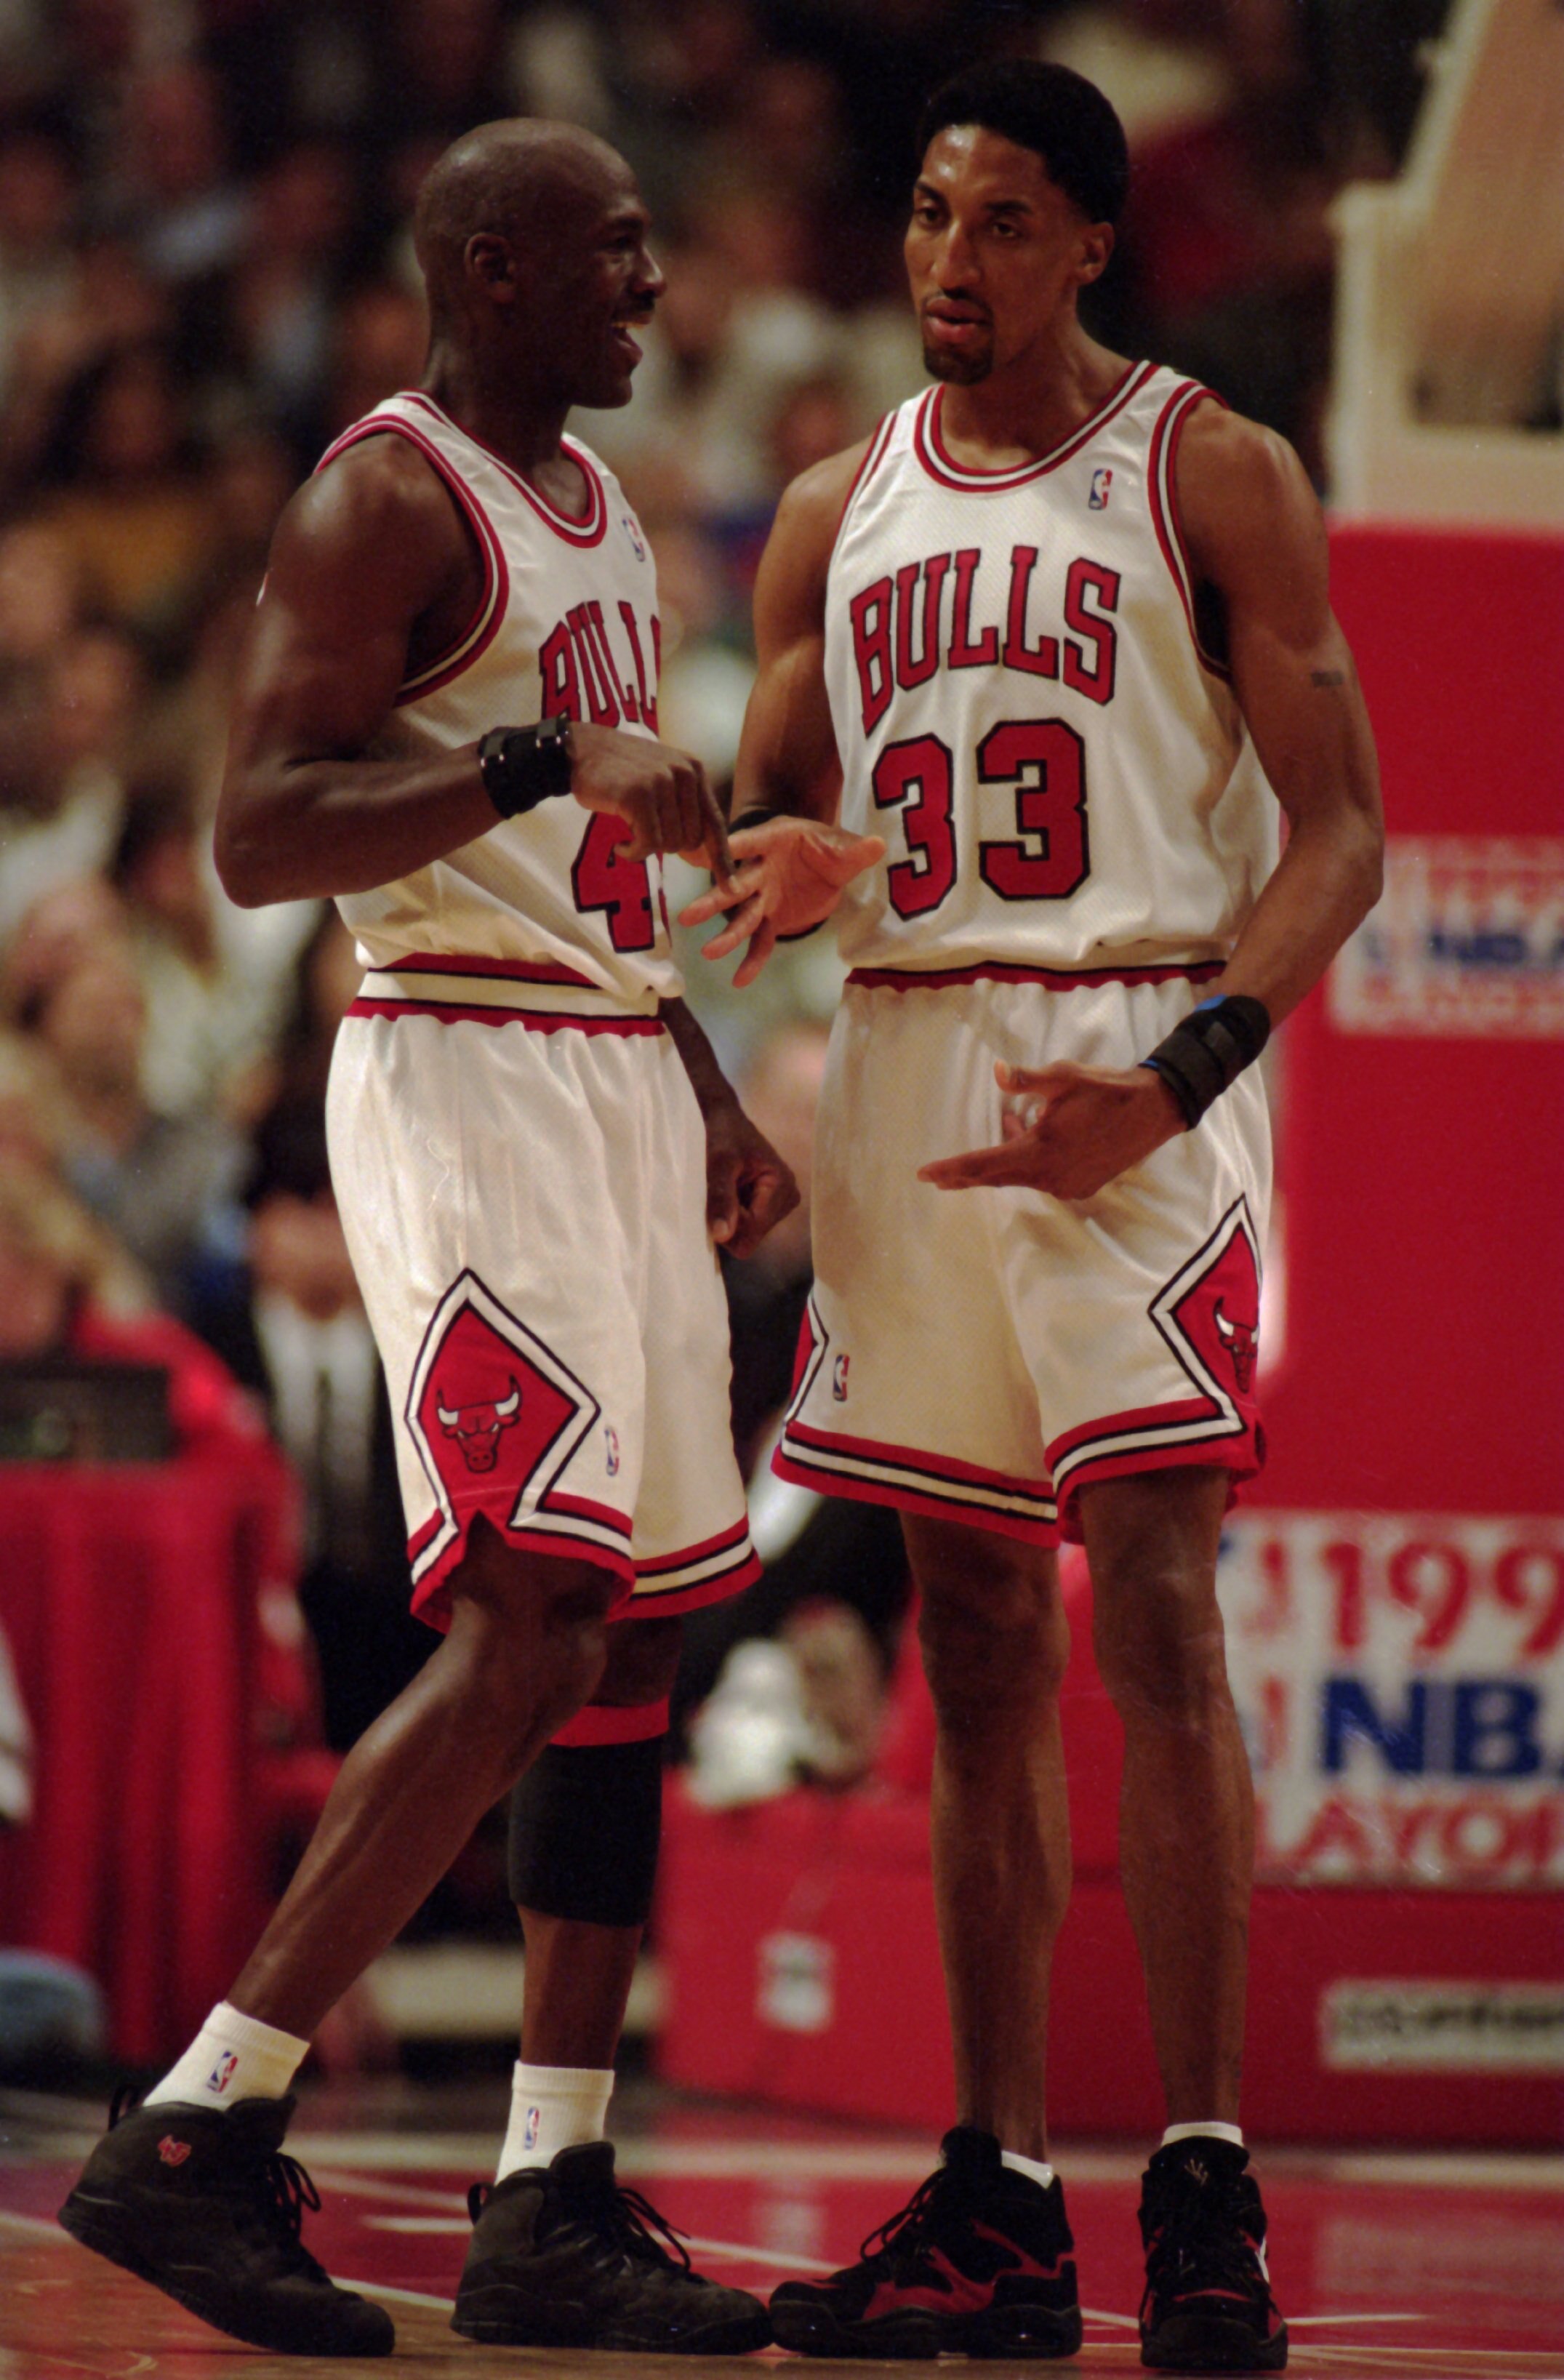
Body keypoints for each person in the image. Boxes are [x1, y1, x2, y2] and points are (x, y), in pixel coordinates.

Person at [59, 119, 795, 2360]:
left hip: (598, 1066)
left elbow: (601, 863)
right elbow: (262, 828)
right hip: (455, 1080)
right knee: (529, 1617)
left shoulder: (604, 520)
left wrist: (701, 1073)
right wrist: (522, 772)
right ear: (493, 265)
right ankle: (198, 2123)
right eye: (620, 258)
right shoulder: (386, 497)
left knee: (639, 1644)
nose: (652, 297)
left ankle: (550, 2181)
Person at [682, 58, 1383, 2375]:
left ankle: (1199, 2175)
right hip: (906, 1067)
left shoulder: (1210, 467)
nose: (943, 265)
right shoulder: (823, 511)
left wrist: (1181, 1078)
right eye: (922, 216)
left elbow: (1343, 831)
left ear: (1092, 240)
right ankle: (992, 2188)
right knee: (971, 1639)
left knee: (1155, 1610)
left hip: (1134, 1057)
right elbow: (771, 829)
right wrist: (767, 870)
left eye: (996, 223)